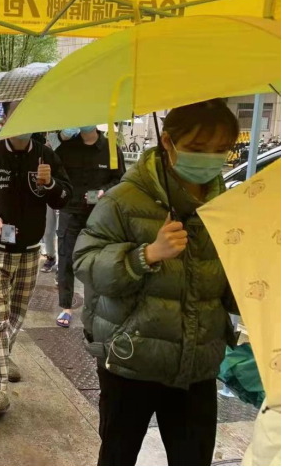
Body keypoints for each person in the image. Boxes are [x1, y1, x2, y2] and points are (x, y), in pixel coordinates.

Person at [74, 100, 241, 466]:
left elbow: (232, 293)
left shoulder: (228, 207)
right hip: (130, 362)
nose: (210, 158)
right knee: (118, 456)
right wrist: (146, 255)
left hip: (197, 365)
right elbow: (85, 262)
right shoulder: (123, 200)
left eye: (221, 149)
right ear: (168, 142)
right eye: (198, 148)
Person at [0, 100, 72, 418]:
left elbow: (65, 197)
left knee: (16, 314)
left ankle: (2, 353)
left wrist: (50, 184)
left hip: (29, 252)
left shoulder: (46, 156)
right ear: (5, 119)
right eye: (15, 115)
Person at [54, 125, 125, 328]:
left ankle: (92, 307)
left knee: (95, 262)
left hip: (98, 215)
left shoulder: (111, 149)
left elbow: (120, 179)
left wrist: (104, 191)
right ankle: (66, 307)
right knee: (66, 258)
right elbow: (56, 175)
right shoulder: (66, 148)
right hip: (70, 211)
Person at [41, 131, 62, 274]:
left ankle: (62, 262)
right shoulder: (51, 138)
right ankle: (50, 256)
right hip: (48, 191)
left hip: (62, 192)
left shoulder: (73, 141)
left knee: (61, 231)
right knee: (48, 230)